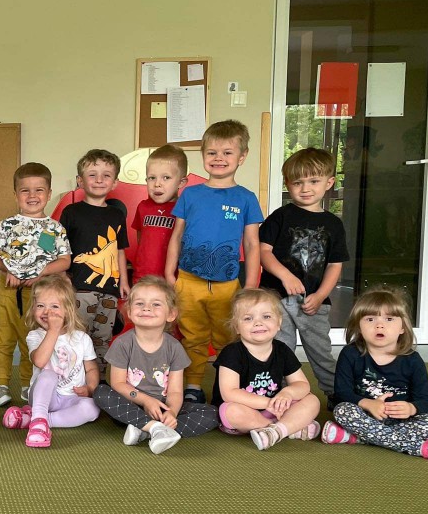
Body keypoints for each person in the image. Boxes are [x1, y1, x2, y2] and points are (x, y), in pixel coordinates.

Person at [165, 120, 263, 404]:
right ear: (203, 155)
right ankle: (193, 385)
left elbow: (252, 244)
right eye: (212, 152)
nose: (219, 158)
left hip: (227, 285)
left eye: (227, 152)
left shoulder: (246, 198)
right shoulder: (190, 194)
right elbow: (177, 235)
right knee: (192, 337)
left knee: (227, 338)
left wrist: (251, 285)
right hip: (188, 281)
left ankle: (226, 387)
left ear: (242, 156)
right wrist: (170, 272)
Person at [259, 148, 348, 406]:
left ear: (329, 183)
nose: (305, 188)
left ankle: (336, 394)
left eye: (314, 181)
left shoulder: (334, 224)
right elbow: (264, 252)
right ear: (288, 184)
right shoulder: (281, 216)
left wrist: (321, 295)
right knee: (279, 349)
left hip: (313, 303)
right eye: (298, 182)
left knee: (321, 351)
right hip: (276, 299)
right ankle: (279, 395)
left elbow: (335, 265)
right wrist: (285, 276)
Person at [93, 277, 218, 454]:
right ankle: (153, 428)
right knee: (101, 392)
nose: (147, 308)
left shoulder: (174, 347)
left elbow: (175, 391)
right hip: (131, 406)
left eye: (156, 304)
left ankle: (147, 429)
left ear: (171, 314)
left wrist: (171, 413)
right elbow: (118, 384)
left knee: (213, 413)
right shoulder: (123, 344)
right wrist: (146, 401)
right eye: (140, 303)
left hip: (163, 406)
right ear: (129, 311)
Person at [323, 287, 428, 461]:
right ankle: (420, 448)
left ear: (402, 327)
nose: (379, 325)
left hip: (401, 421)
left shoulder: (413, 360)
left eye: (389, 319)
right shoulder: (350, 354)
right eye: (370, 319)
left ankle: (357, 437)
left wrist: (411, 408)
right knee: (342, 411)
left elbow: (426, 401)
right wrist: (368, 404)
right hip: (364, 415)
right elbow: (342, 393)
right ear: (359, 327)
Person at [0, 162, 71, 407]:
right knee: (3, 339)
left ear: (48, 193)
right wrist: (8, 270)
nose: (32, 196)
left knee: (31, 339)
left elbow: (64, 260)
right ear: (16, 194)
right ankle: (1, 384)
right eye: (25, 190)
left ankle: (28, 384)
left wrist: (40, 274)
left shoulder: (54, 228)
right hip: (7, 291)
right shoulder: (7, 225)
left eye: (39, 190)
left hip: (38, 295)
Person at [212, 288, 321, 451]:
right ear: (236, 327)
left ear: (279, 323)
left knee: (312, 400)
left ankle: (276, 431)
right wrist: (269, 403)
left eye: (266, 316)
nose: (258, 323)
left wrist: (287, 393)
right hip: (245, 411)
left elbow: (302, 384)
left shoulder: (282, 350)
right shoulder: (232, 353)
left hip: (275, 408)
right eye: (248, 318)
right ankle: (288, 427)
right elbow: (229, 393)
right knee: (231, 411)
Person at [2, 275, 100, 448]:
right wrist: (53, 331)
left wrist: (90, 388)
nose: (47, 312)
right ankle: (38, 418)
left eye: (54, 306)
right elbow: (39, 361)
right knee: (48, 374)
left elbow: (91, 368)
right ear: (33, 308)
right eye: (40, 306)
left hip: (72, 398)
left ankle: (39, 420)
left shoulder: (82, 338)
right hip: (44, 398)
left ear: (68, 310)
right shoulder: (35, 336)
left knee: (92, 409)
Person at [58, 149, 129, 368]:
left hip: (109, 289)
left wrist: (124, 281)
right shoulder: (71, 212)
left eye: (106, 175)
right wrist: (63, 276)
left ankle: (99, 379)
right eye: (92, 174)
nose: (99, 180)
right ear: (80, 180)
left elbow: (119, 249)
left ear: (115, 182)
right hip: (79, 288)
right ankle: (75, 376)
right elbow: (60, 247)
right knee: (77, 335)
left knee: (103, 338)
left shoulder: (117, 214)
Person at [130, 145, 188, 285]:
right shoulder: (143, 207)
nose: (157, 184)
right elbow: (141, 239)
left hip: (172, 279)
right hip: (142, 277)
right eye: (152, 178)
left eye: (166, 177)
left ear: (181, 182)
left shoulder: (184, 209)